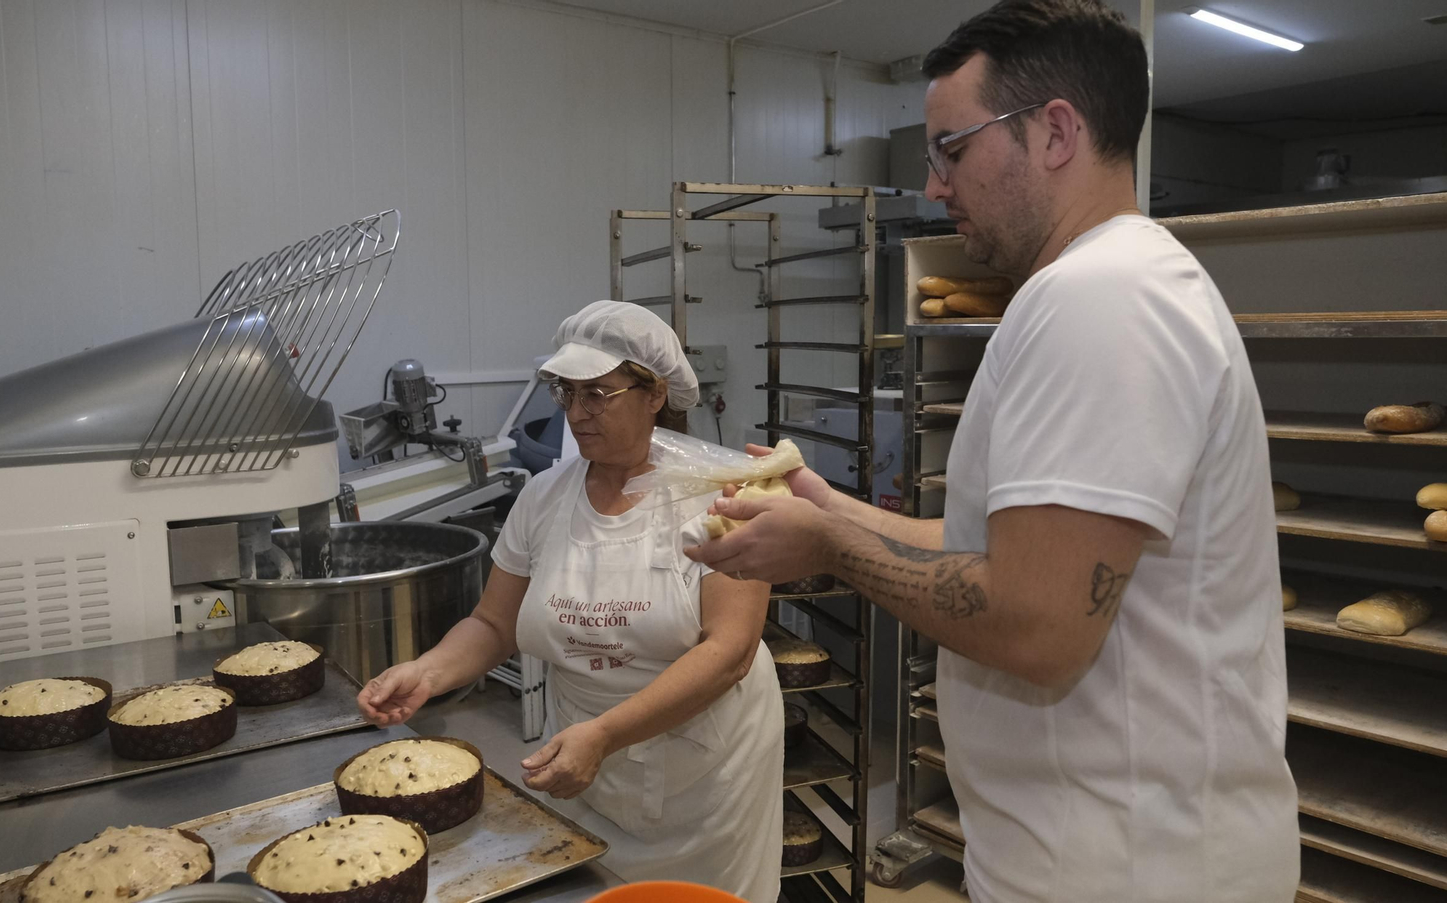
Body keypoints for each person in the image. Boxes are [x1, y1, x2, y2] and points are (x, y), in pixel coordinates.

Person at [685, 2, 1299, 901]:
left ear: (1055, 132)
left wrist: (828, 551)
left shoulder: (1104, 298)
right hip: (1092, 851)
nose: (935, 185)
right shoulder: (1102, 286)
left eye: (953, 149)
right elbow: (1009, 556)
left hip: (1135, 867)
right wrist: (824, 505)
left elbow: (1038, 623)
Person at [357, 300, 784, 902]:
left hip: (705, 769)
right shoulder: (543, 498)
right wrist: (427, 671)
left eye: (598, 395)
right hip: (581, 754)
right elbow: (492, 623)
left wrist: (607, 735)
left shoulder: (719, 493)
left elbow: (731, 650)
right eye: (566, 393)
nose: (577, 414)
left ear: (654, 393)